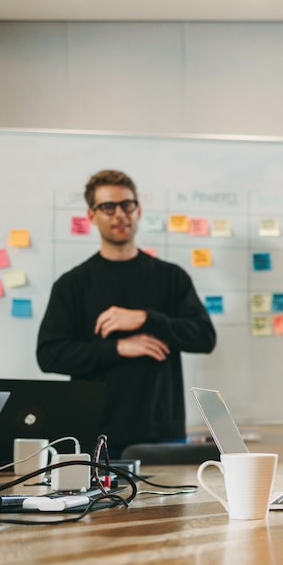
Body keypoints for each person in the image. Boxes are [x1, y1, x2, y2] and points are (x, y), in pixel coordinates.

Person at [36, 170, 216, 457]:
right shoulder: (73, 285)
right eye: (108, 207)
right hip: (96, 434)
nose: (119, 214)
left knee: (171, 504)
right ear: (92, 215)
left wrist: (147, 318)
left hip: (162, 435)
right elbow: (49, 354)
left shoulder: (171, 277)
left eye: (127, 205)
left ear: (138, 210)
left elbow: (205, 338)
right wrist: (118, 348)